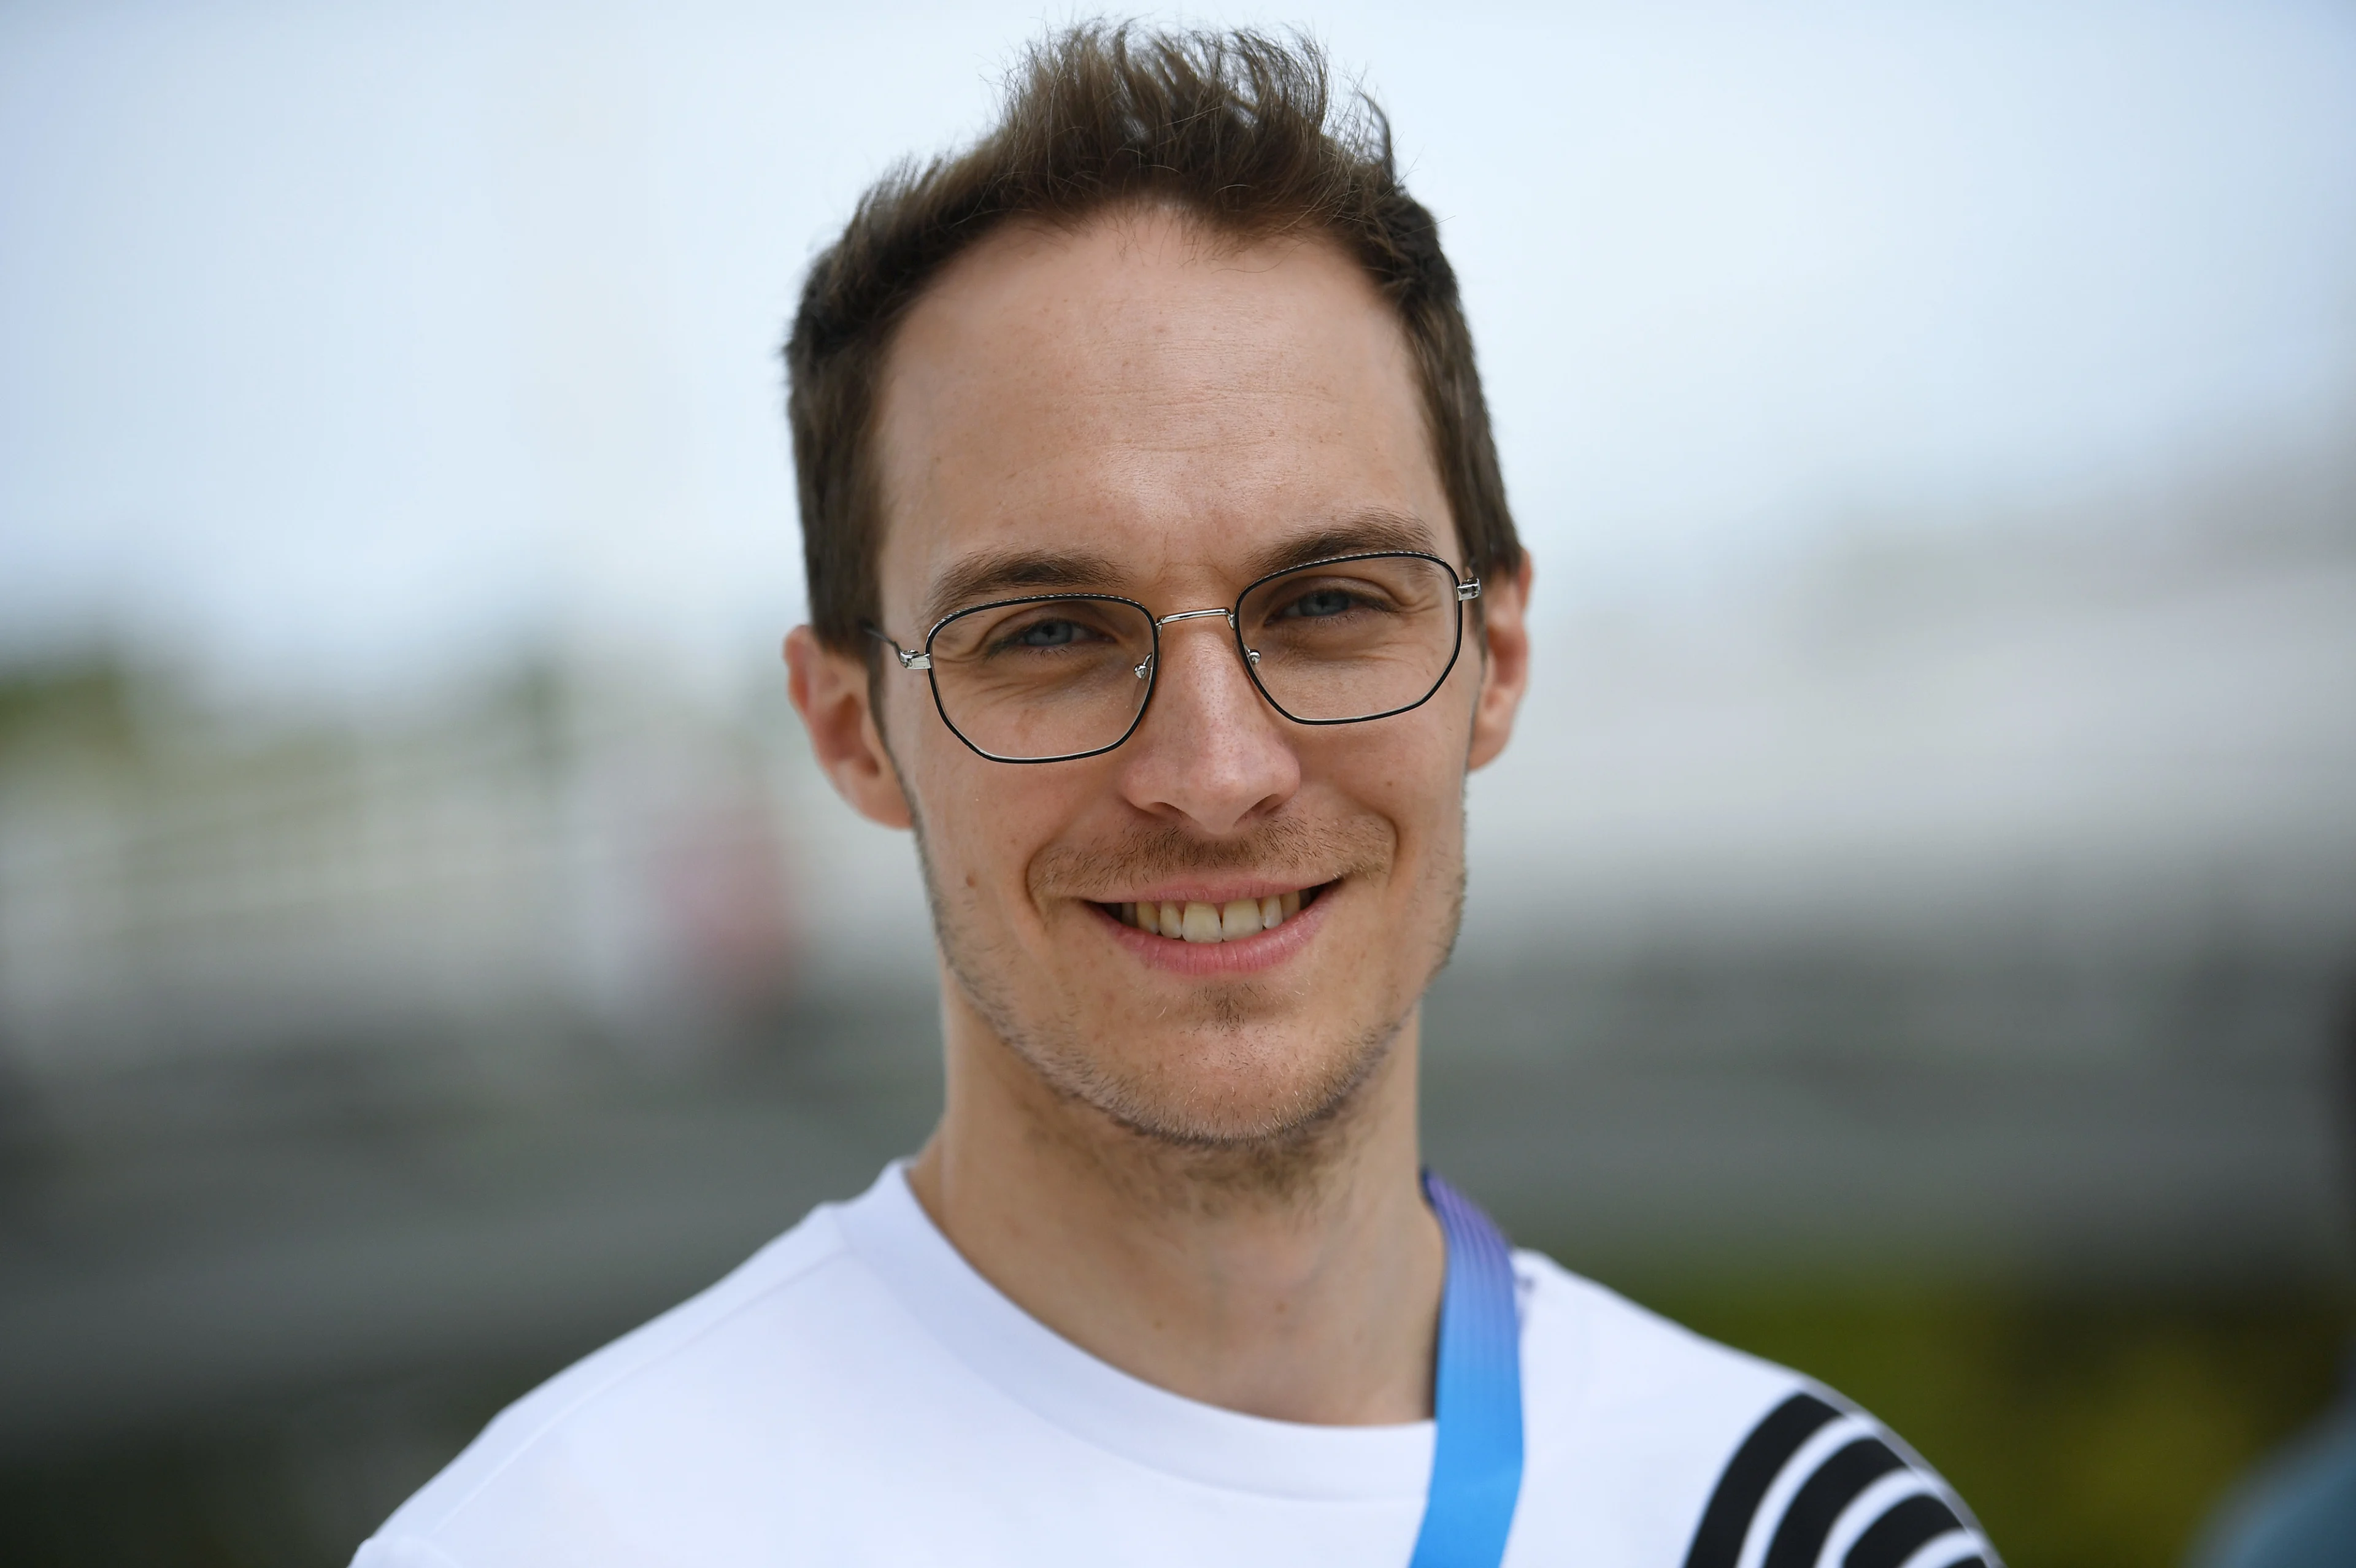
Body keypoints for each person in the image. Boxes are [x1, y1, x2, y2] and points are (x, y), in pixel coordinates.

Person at [355, 26, 1998, 1567]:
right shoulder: (566, 1532)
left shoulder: (1795, 1526)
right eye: (1053, 633)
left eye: (1328, 603)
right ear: (852, 726)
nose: (1216, 772)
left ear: (1493, 654)